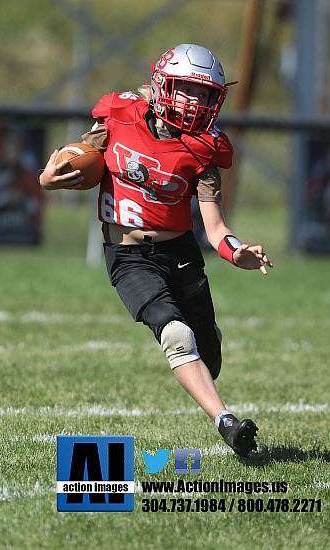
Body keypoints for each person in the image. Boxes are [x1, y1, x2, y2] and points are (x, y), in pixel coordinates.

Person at [39, 44, 273, 457]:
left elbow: (216, 226)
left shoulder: (204, 148)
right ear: (164, 86)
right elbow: (76, 160)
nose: (197, 102)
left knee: (208, 357)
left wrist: (237, 253)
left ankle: (206, 352)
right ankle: (227, 422)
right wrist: (50, 180)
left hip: (179, 253)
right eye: (188, 90)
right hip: (127, 255)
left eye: (205, 95)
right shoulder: (119, 114)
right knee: (177, 335)